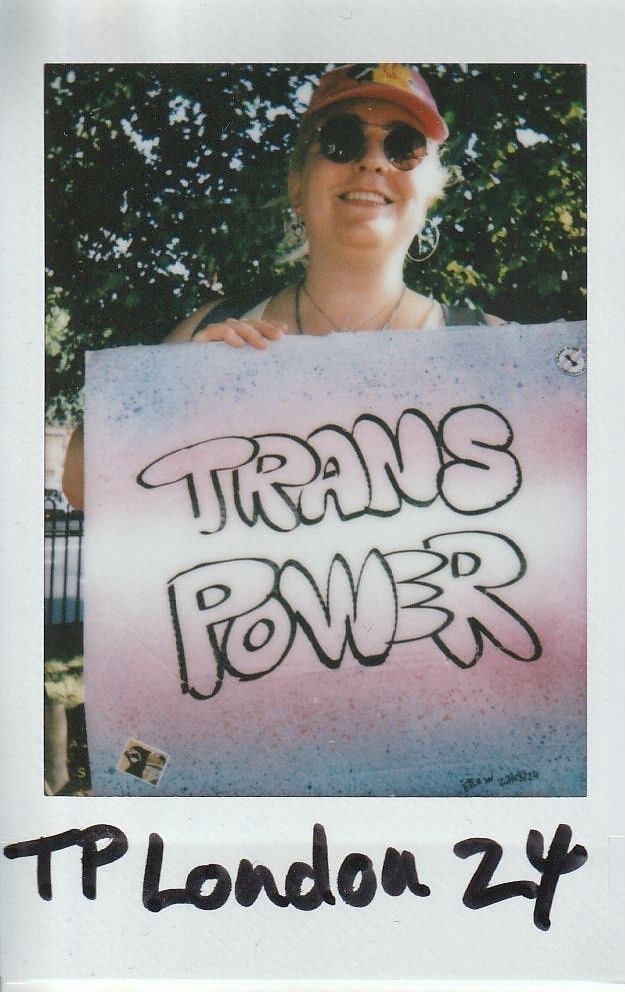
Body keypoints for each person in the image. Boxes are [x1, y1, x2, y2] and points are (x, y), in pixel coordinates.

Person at [62, 63, 502, 509]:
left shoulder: (499, 352)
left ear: (428, 196)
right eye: (341, 141)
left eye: (403, 147)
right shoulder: (211, 331)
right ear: (297, 184)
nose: (373, 161)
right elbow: (82, 485)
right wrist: (179, 387)